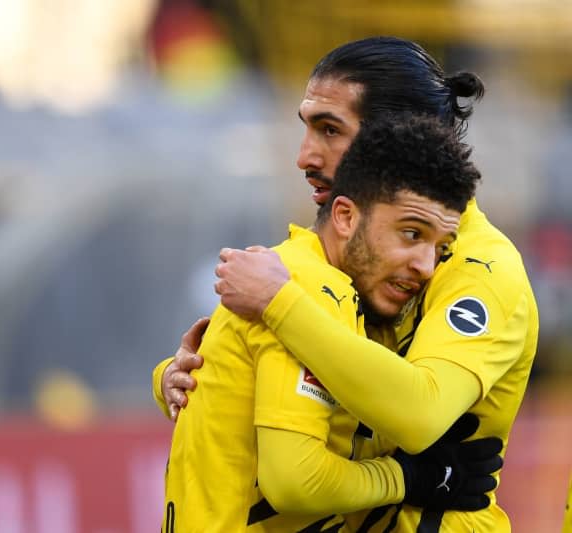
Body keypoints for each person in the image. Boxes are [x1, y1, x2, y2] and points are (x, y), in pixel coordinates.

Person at [156, 37, 538, 532]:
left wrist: (279, 304)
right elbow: (322, 389)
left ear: (394, 142)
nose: (305, 156)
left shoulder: (481, 272)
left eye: (330, 130)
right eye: (308, 127)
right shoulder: (336, 265)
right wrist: (182, 377)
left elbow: (420, 411)